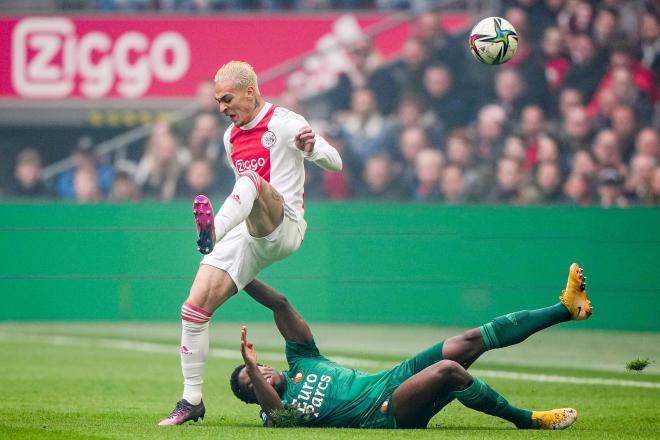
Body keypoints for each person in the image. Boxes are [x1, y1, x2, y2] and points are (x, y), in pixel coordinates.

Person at [159, 60, 342, 425]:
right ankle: (191, 400)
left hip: (286, 225)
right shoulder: (230, 138)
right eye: (217, 102)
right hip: (250, 229)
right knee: (194, 310)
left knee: (253, 182)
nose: (223, 108)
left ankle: (212, 231)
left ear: (250, 91)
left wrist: (312, 149)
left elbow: (335, 162)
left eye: (227, 99)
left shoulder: (287, 123)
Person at [231, 263, 592, 429]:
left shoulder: (301, 359)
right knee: (450, 371)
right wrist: (248, 367)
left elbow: (281, 305)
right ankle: (528, 421)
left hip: (392, 378)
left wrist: (238, 272)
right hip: (385, 411)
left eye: (257, 371)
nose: (259, 373)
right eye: (251, 382)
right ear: (255, 399)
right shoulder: (278, 414)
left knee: (469, 340)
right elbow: (276, 414)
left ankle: (564, 309)